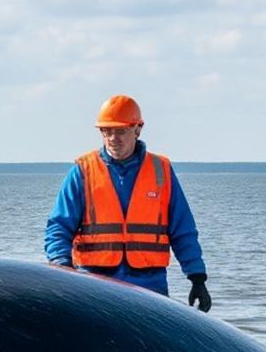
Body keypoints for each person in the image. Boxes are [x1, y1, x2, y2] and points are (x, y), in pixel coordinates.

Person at [45, 94, 211, 311]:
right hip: (94, 285)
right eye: (107, 131)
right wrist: (62, 268)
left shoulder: (161, 171)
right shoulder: (83, 171)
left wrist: (197, 277)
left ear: (138, 129)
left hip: (150, 287)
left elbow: (183, 229)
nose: (113, 138)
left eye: (120, 131)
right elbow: (59, 228)